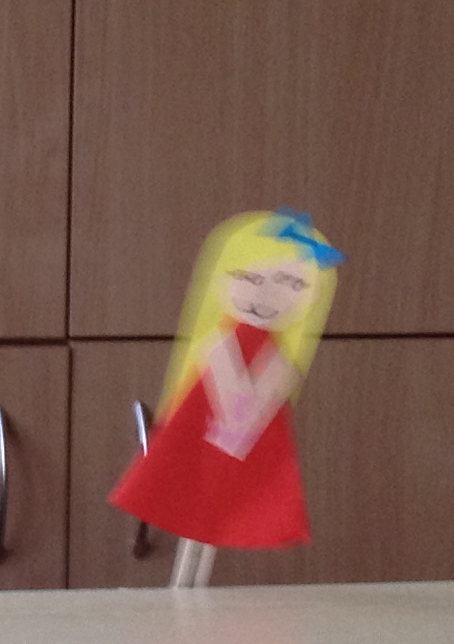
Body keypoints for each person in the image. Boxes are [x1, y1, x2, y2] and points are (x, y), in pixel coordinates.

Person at [110, 209, 340, 587]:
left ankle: (188, 595)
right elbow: (236, 400)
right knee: (199, 519)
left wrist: (242, 420)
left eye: (291, 283)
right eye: (249, 278)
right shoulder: (219, 344)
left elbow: (258, 396)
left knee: (214, 521)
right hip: (211, 439)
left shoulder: (272, 356)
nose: (265, 294)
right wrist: (238, 420)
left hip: (239, 444)